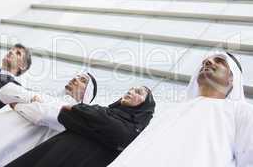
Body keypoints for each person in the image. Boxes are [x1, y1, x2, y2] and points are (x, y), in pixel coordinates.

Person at [108, 52, 253, 167]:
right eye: (205, 62)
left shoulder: (241, 111)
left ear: (232, 79)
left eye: (220, 61)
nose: (208, 63)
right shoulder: (172, 112)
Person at [0, 72, 97, 167]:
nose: (75, 79)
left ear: (87, 94)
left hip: (1, 143)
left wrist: (18, 103)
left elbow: (41, 114)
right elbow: (5, 91)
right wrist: (32, 98)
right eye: (76, 76)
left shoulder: (73, 113)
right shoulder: (46, 96)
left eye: (82, 80)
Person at [6, 86, 156, 167]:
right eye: (131, 89)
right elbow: (65, 115)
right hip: (54, 150)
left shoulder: (133, 130)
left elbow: (117, 132)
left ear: (144, 107)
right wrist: (85, 115)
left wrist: (80, 111)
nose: (130, 91)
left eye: (138, 92)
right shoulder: (105, 111)